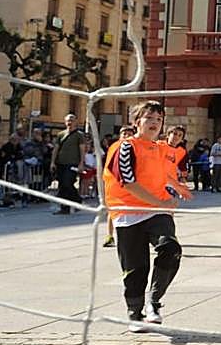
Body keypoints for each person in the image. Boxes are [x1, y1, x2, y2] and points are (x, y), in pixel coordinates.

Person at [102, 100, 191, 331]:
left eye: (159, 120)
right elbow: (128, 182)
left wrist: (177, 188)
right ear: (136, 122)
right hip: (127, 212)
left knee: (170, 249)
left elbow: (165, 174)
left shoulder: (162, 150)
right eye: (149, 118)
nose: (154, 123)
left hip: (156, 213)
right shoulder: (124, 147)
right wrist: (160, 201)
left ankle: (154, 301)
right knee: (135, 269)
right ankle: (134, 313)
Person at [103, 125, 137, 248]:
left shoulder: (134, 147)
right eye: (124, 133)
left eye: (129, 133)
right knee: (112, 211)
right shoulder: (114, 147)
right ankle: (110, 236)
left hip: (129, 186)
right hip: (112, 185)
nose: (127, 135)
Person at [52, 113, 86, 214]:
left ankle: (77, 200)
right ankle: (64, 207)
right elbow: (56, 149)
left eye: (71, 120)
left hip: (72, 164)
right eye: (68, 120)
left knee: (68, 183)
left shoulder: (79, 135)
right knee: (62, 185)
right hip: (60, 163)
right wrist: (52, 162)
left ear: (76, 122)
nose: (69, 122)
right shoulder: (61, 134)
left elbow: (82, 150)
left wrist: (81, 163)